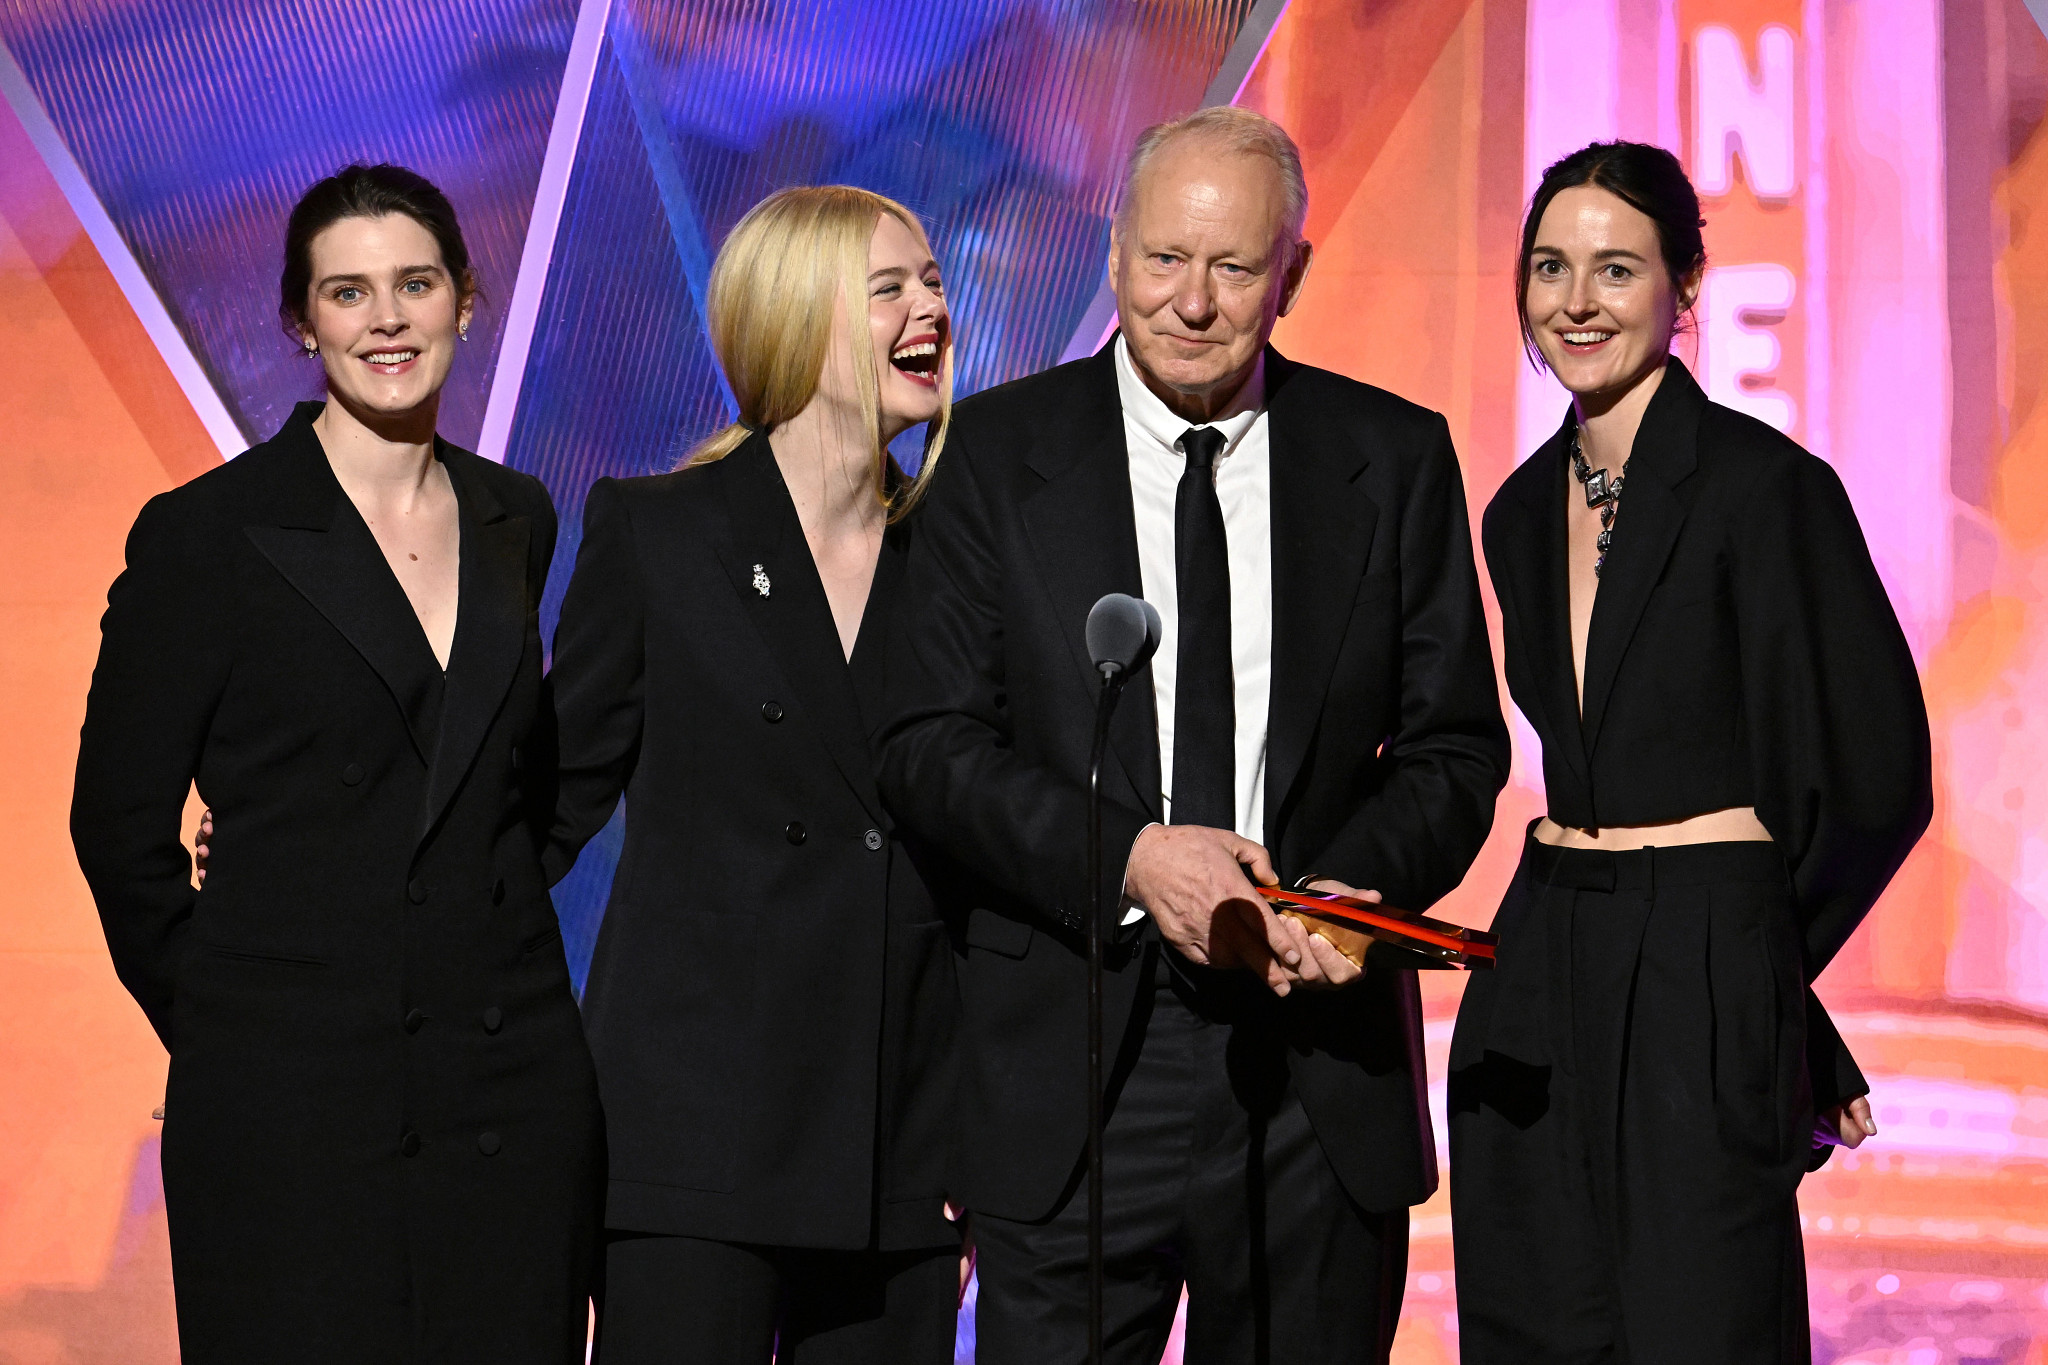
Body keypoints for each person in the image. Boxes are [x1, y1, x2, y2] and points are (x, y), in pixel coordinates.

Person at [876, 106, 1510, 1363]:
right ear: (1114, 257)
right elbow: (928, 745)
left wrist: (1351, 897)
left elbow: (1452, 748)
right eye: (1164, 260)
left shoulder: (1389, 457)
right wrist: (1127, 858)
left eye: (1231, 268)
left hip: (1310, 1074)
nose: (1193, 303)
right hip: (1072, 1060)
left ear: (1292, 278)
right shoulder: (992, 458)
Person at [69, 164, 603, 1363]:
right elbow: (116, 825)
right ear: (301, 323)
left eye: (414, 284)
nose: (387, 319)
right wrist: (229, 1020)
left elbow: (505, 792)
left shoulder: (518, 515)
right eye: (348, 293)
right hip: (290, 1111)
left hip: (502, 1097)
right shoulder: (208, 534)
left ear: (467, 301)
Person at [1447, 140, 1931, 1363]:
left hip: (1700, 970)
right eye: (1549, 267)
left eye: (1615, 269)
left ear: (1684, 291)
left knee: (1697, 1328)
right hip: (1541, 958)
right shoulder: (1510, 511)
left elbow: (1875, 785)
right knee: (1535, 1326)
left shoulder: (1767, 490)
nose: (1574, 301)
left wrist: (1762, 977)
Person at [547, 186, 962, 1365]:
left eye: (932, 281)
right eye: (889, 288)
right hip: (692, 1143)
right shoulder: (658, 534)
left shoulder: (961, 556)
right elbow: (538, 809)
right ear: (795, 318)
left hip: (900, 1138)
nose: (930, 307)